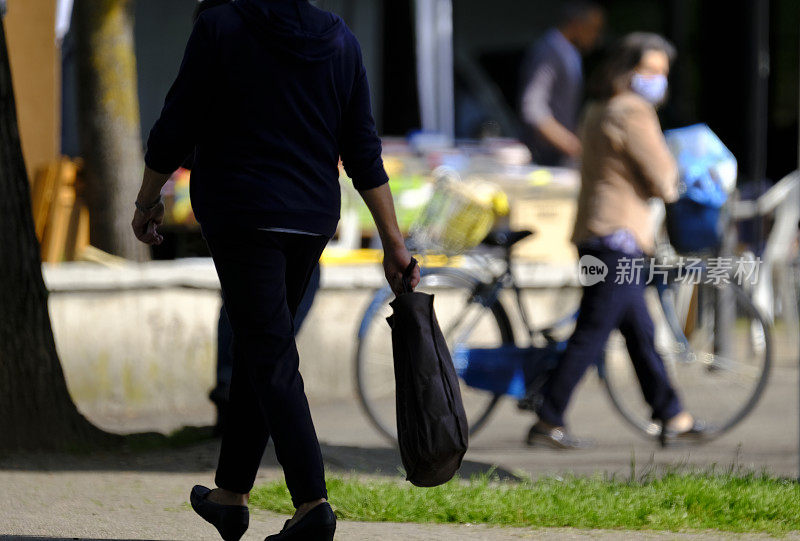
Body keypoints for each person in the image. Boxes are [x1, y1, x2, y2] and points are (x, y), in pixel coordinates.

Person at [131, 1, 420, 540]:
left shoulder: (221, 27)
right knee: (260, 345)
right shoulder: (341, 41)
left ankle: (312, 503)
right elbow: (362, 150)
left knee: (270, 353)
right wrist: (393, 243)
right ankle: (231, 495)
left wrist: (147, 199)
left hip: (242, 213)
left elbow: (177, 122)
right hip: (310, 217)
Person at [527, 32, 704, 450]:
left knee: (639, 332)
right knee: (593, 332)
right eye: (651, 70)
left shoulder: (598, 107)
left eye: (663, 72)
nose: (659, 80)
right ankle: (548, 418)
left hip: (598, 234)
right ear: (628, 70)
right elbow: (664, 179)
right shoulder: (632, 110)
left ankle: (672, 413)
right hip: (618, 239)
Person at [518, 1, 604, 166]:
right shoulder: (549, 51)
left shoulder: (569, 52)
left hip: (558, 154)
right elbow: (532, 109)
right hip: (544, 156)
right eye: (593, 28)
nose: (597, 36)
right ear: (576, 23)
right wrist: (571, 145)